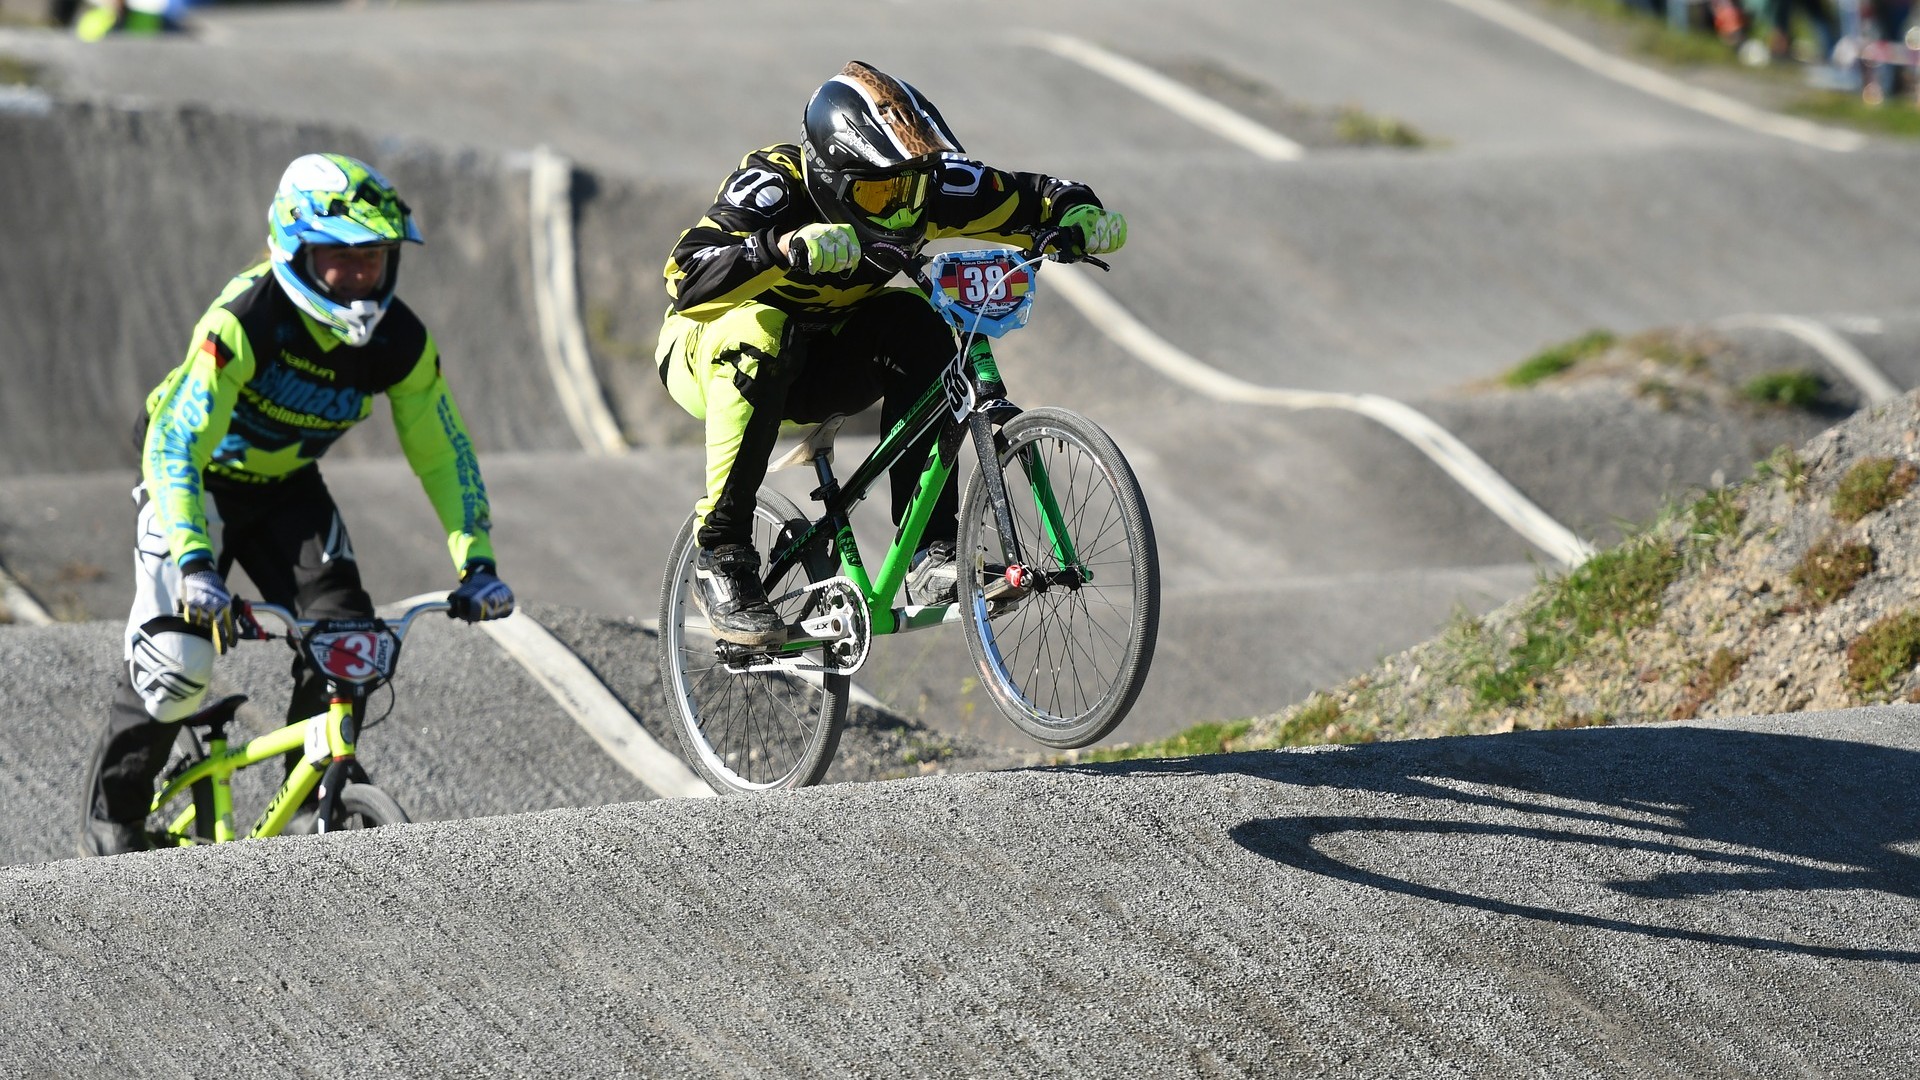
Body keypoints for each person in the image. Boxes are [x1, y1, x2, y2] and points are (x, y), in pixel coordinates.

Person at [79, 153, 516, 857]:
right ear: (293, 250)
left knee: (348, 641)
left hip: (286, 487)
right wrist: (195, 564)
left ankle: (318, 799)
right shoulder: (246, 321)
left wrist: (480, 562)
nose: (358, 279)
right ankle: (115, 822)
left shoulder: (399, 339)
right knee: (177, 663)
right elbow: (174, 447)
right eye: (339, 260)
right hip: (196, 481)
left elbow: (443, 450)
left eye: (373, 259)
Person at [656, 60, 1129, 645]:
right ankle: (721, 553)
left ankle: (932, 554)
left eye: (911, 187)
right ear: (832, 174)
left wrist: (1077, 213)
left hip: (823, 359)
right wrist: (775, 249)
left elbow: (1030, 194)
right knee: (760, 326)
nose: (902, 209)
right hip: (706, 353)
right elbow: (683, 275)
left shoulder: (917, 184)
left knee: (923, 324)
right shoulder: (776, 185)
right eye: (880, 190)